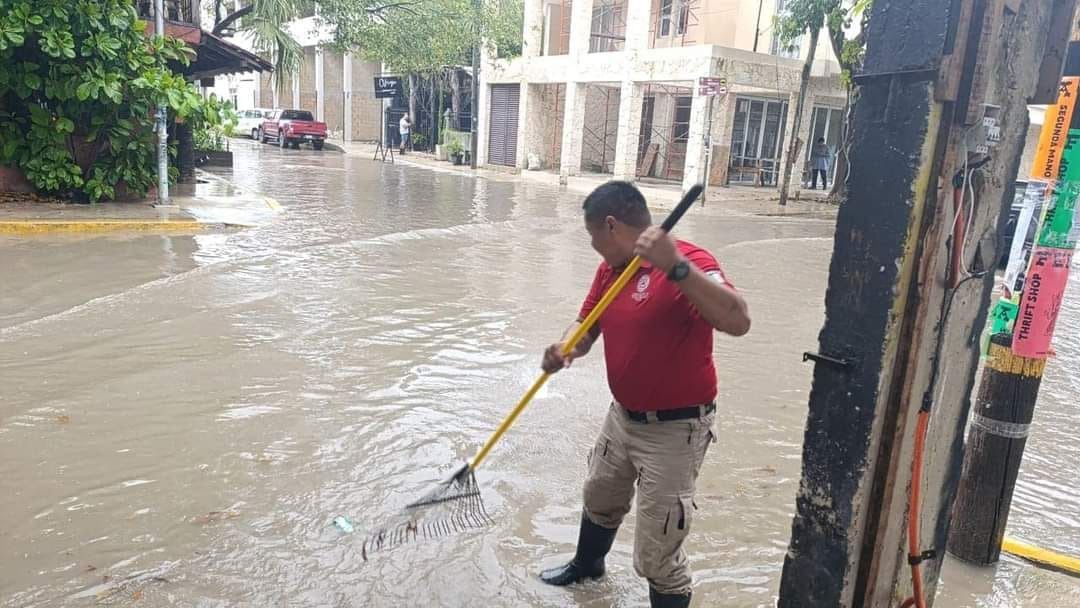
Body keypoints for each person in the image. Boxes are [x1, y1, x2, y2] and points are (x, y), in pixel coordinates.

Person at [538, 181, 751, 608]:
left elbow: (738, 320)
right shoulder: (611, 271)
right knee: (599, 495)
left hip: (675, 429)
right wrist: (565, 348)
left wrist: (675, 268)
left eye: (593, 235)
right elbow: (586, 325)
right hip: (622, 417)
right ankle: (587, 564)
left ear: (611, 226)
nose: (594, 246)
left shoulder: (690, 261)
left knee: (658, 548)